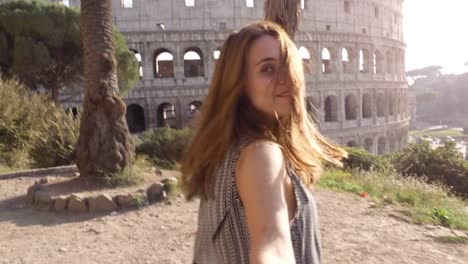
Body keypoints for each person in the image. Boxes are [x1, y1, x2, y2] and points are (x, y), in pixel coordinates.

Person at [181, 21, 346, 264]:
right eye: (268, 69)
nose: (287, 77)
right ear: (239, 85)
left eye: (289, 65)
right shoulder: (261, 154)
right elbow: (272, 247)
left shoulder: (223, 150)